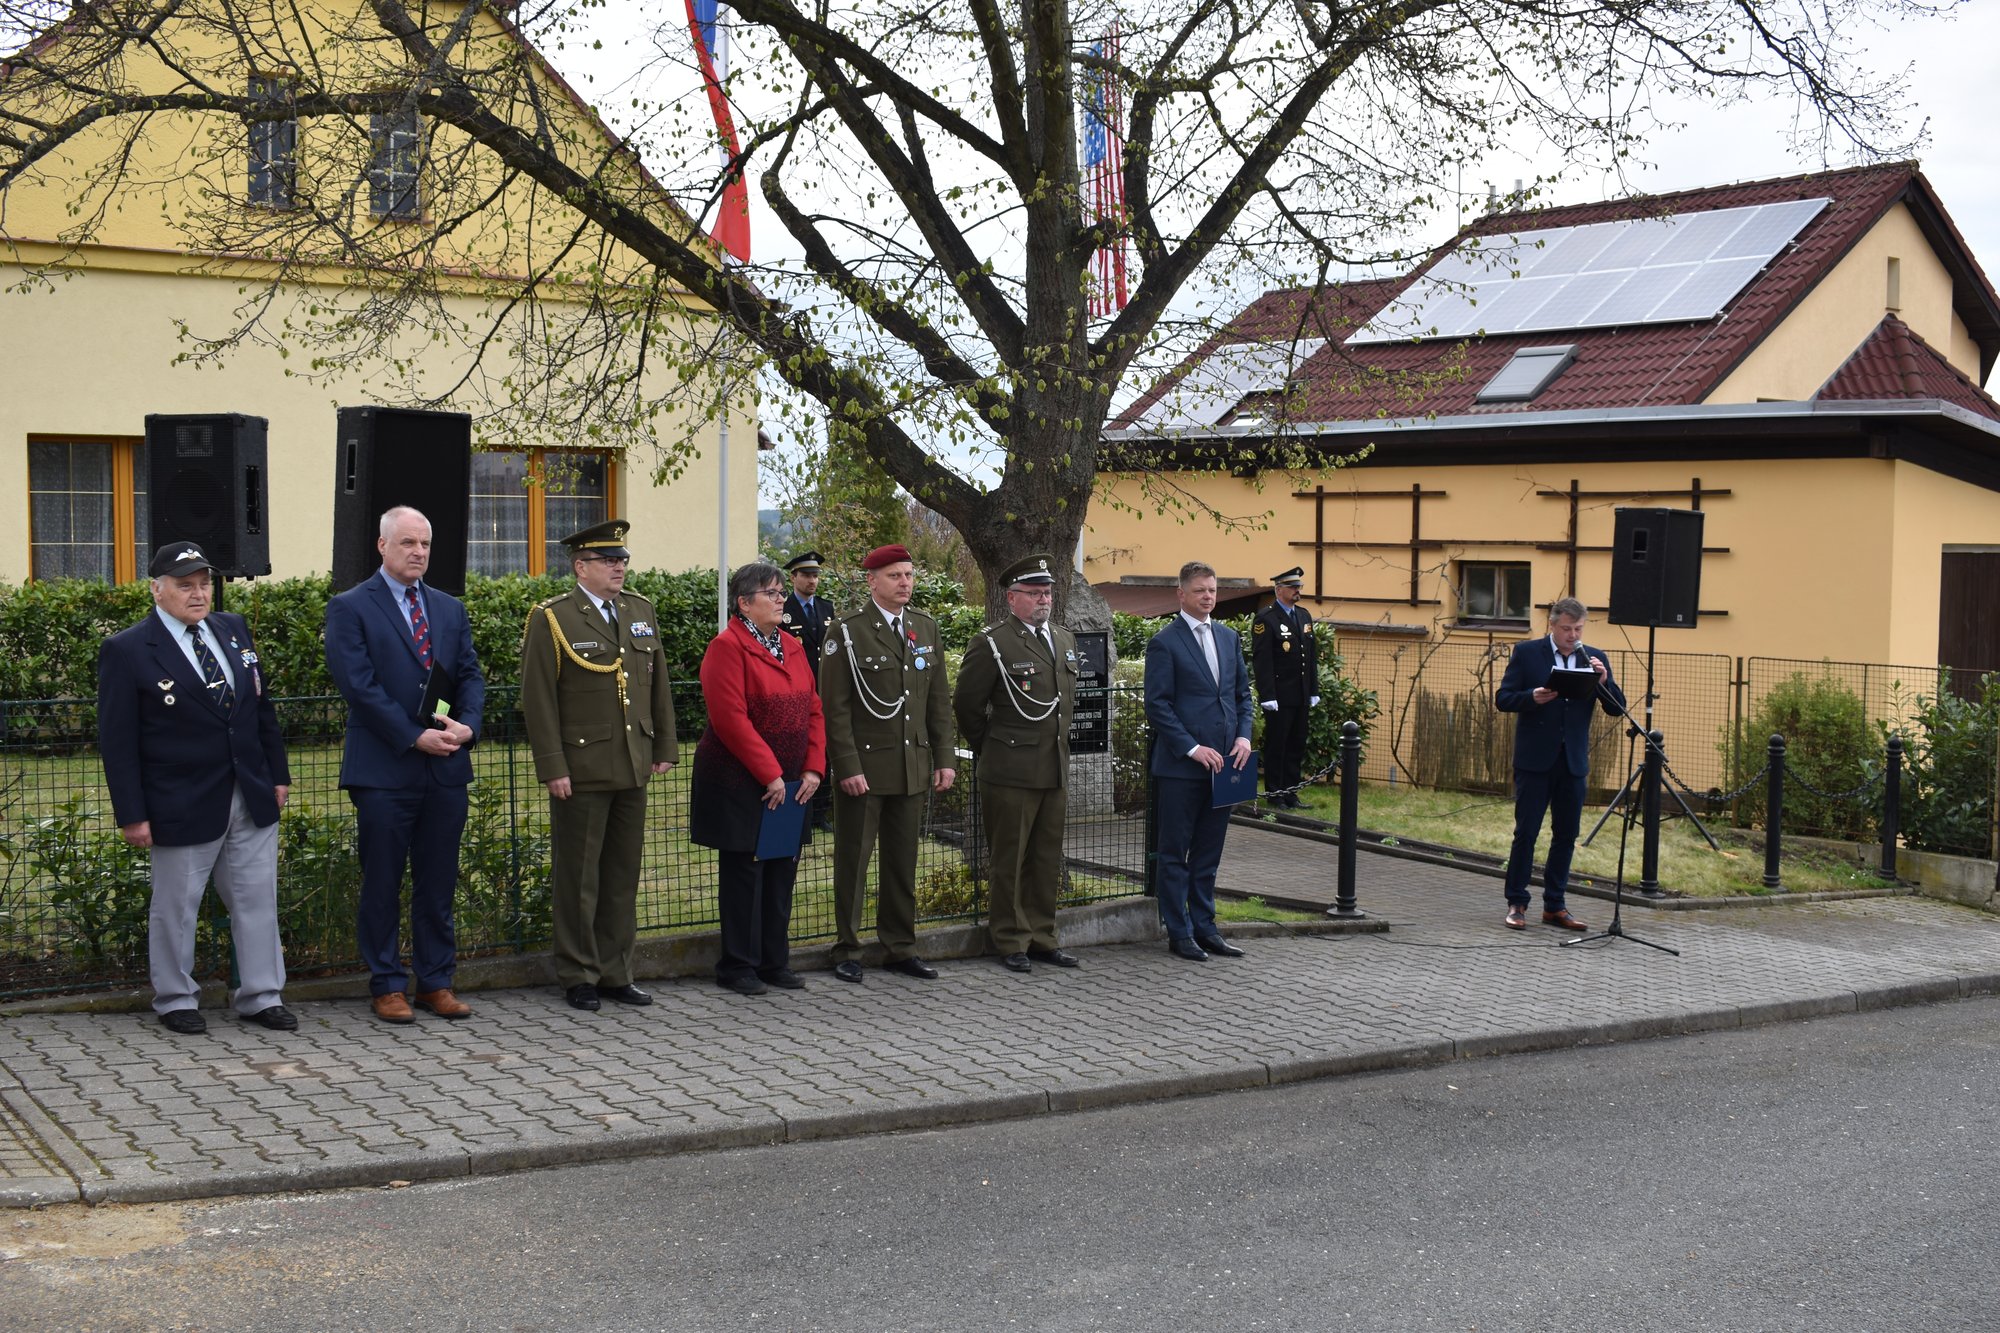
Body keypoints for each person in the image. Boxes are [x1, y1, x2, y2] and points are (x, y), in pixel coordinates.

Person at [97, 542, 295, 1035]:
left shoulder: (233, 630)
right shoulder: (127, 650)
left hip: (248, 791)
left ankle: (261, 995)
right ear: (157, 590)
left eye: (204, 583)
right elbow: (117, 742)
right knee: (177, 905)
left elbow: (258, 708)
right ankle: (175, 998)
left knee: (256, 899)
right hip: (179, 800)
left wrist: (277, 773)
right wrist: (131, 814)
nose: (198, 593)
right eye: (185, 585)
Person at [325, 506, 485, 1024]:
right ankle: (387, 984)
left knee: (438, 881)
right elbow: (359, 686)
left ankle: (435, 982)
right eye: (408, 543)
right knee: (383, 880)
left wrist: (466, 726)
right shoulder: (350, 607)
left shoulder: (449, 609)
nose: (418, 552)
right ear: (382, 546)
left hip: (445, 768)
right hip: (384, 769)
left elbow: (470, 675)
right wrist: (412, 736)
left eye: (425, 545)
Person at [520, 519, 678, 1011]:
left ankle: (616, 971)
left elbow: (658, 686)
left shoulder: (640, 611)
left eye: (622, 560)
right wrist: (553, 766)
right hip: (582, 766)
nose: (619, 567)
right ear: (580, 566)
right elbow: (538, 699)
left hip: (632, 762)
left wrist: (664, 746)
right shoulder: (553, 618)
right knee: (580, 876)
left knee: (621, 875)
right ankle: (578, 973)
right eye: (608, 561)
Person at [818, 543, 955, 982]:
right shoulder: (848, 631)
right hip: (867, 768)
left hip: (912, 764)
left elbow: (937, 702)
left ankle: (900, 946)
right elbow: (833, 707)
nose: (905, 583)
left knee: (903, 861)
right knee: (854, 860)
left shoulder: (924, 628)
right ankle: (847, 948)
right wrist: (846, 764)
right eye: (895, 576)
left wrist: (944, 758)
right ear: (871, 581)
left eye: (910, 575)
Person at [691, 562, 826, 995]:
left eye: (781, 592)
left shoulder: (792, 645)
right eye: (771, 593)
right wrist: (769, 774)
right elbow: (730, 720)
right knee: (745, 872)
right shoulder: (726, 647)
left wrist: (812, 767)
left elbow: (814, 710)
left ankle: (774, 961)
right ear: (744, 603)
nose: (781, 598)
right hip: (741, 781)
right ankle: (738, 965)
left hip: (792, 781)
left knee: (781, 869)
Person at [952, 554, 1081, 974]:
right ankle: (1009, 938)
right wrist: (993, 747)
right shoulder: (993, 642)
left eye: (1047, 592)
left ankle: (1043, 935)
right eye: (1034, 593)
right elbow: (967, 705)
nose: (1043, 599)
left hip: (1052, 767)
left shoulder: (1063, 639)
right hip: (1009, 769)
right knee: (1009, 857)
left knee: (1045, 856)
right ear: (1012, 599)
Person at [1144, 560, 1256, 963]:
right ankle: (1180, 932)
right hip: (1181, 768)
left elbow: (1242, 696)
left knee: (1209, 853)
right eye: (1200, 591)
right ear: (1181, 595)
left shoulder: (1229, 638)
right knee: (1175, 852)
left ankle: (1207, 928)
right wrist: (1192, 748)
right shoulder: (1165, 642)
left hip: (1227, 767)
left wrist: (1244, 737)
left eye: (1212, 590)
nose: (1208, 597)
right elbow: (1157, 706)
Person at [1494, 596, 1626, 932]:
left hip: (1573, 762)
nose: (1572, 635)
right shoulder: (1527, 653)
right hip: (1535, 761)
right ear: (1552, 625)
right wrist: (1531, 698)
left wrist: (1604, 682)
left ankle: (1555, 905)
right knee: (1527, 833)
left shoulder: (1593, 658)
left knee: (1566, 835)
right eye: (1566, 628)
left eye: (1578, 629)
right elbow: (1503, 698)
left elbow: (1616, 709)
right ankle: (1517, 902)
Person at [1250, 566, 1321, 808]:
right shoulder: (1266, 619)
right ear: (1279, 590)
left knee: (1296, 744)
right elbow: (1263, 661)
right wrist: (1268, 695)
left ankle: (1292, 792)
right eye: (1293, 587)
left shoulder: (1303, 616)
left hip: (1300, 695)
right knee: (1277, 746)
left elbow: (1310, 657)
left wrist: (1313, 690)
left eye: (1299, 587)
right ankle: (1275, 793)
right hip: (1279, 696)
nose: (1298, 591)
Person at [780, 550, 836, 831]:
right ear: (793, 577)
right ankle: (801, 805)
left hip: (825, 691)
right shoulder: (783, 610)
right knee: (798, 750)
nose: (812, 580)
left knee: (823, 752)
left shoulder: (827, 609)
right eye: (806, 575)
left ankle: (820, 813)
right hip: (796, 692)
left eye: (815, 575)